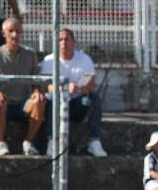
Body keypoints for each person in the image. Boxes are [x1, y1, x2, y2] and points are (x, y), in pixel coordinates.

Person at [0, 17, 46, 157]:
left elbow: (36, 82)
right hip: (1, 103)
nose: (14, 35)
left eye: (18, 31)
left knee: (40, 101)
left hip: (23, 104)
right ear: (4, 33)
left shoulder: (30, 54)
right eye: (11, 31)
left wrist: (36, 92)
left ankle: (28, 142)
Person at [40, 28, 108, 158]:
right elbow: (46, 86)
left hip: (77, 103)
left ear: (73, 42)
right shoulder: (49, 60)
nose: (63, 43)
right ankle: (52, 142)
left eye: (67, 39)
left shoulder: (85, 59)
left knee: (94, 98)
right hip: (59, 103)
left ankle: (94, 142)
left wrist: (81, 89)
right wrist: (64, 89)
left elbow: (92, 84)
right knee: (51, 98)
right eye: (60, 40)